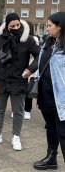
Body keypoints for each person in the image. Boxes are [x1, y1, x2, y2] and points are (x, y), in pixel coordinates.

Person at [0, 13, 40, 151]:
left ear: (20, 23)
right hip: (1, 80)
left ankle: (16, 136)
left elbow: (39, 56)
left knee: (18, 111)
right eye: (12, 26)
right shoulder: (0, 39)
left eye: (17, 25)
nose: (15, 28)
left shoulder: (28, 40)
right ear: (7, 26)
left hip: (19, 80)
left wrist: (30, 69)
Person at [33, 12, 65, 170]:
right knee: (50, 127)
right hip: (45, 94)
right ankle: (51, 157)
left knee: (63, 132)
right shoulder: (48, 43)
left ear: (60, 27)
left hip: (61, 99)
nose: (47, 29)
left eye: (49, 26)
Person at [23, 21, 40, 120]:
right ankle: (17, 109)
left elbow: (36, 54)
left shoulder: (34, 39)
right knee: (19, 90)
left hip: (31, 67)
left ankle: (27, 110)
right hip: (21, 67)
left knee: (28, 90)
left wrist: (32, 68)